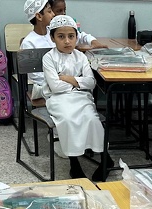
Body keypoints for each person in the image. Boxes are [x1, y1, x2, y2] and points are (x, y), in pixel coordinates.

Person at [43, 15, 109, 181]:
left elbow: (91, 82)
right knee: (67, 120)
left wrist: (68, 79)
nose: (67, 41)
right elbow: (55, 87)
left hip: (81, 97)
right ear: (52, 38)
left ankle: (106, 159)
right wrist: (78, 82)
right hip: (58, 99)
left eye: (71, 36)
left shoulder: (81, 57)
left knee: (91, 119)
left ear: (76, 37)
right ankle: (74, 164)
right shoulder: (48, 58)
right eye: (61, 36)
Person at [20, 0, 56, 100]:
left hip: (60, 81)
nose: (53, 14)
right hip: (46, 85)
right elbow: (34, 75)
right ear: (39, 16)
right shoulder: (29, 43)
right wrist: (54, 80)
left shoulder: (55, 33)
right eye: (49, 11)